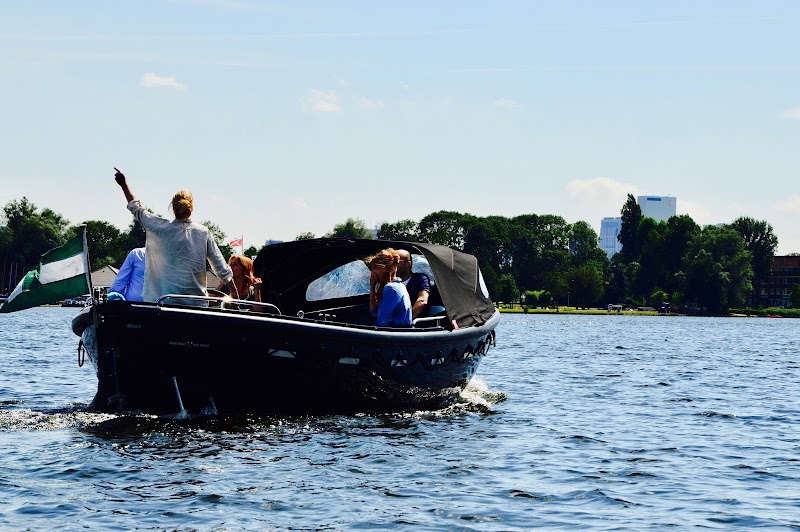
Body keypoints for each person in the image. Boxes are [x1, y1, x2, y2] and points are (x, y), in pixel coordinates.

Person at [113, 167, 238, 302]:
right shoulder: (203, 232)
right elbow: (221, 268)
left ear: (173, 208)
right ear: (191, 208)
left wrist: (123, 184)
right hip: (194, 305)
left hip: (162, 304)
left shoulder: (159, 227)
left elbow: (136, 207)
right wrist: (234, 294)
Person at [364, 248, 412, 327]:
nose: (372, 272)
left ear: (385, 269)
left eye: (375, 267)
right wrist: (372, 287)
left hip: (396, 332)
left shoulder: (391, 288)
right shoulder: (397, 286)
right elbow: (374, 312)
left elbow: (382, 323)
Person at [396, 249, 430, 320]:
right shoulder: (390, 282)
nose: (391, 265)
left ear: (408, 264)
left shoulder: (420, 279)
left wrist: (406, 320)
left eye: (396, 261)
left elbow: (422, 301)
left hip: (415, 324)